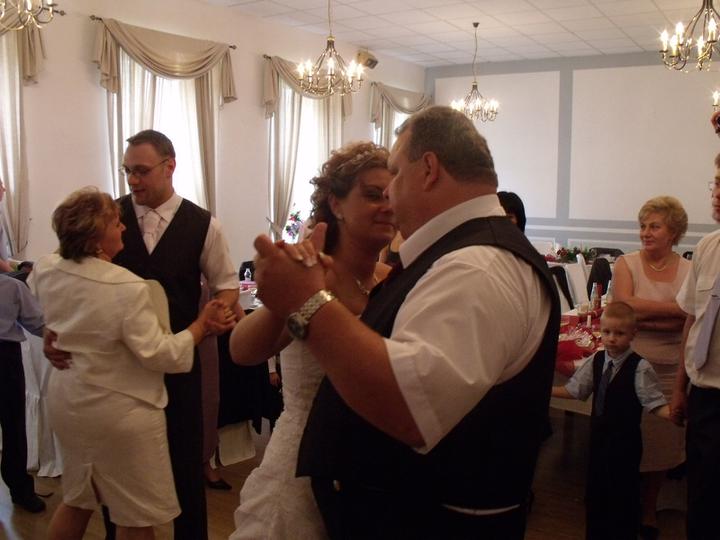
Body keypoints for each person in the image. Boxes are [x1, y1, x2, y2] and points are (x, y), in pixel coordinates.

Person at [251, 106, 560, 539]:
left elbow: (410, 406)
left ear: (428, 169)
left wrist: (307, 302)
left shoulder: (477, 266)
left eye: (395, 175)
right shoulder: (461, 255)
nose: (390, 197)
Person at [44, 130, 240, 540]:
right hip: (115, 381)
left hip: (180, 364)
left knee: (186, 466)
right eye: (127, 171)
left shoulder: (204, 224)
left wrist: (218, 314)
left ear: (170, 166)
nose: (132, 180)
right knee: (115, 487)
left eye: (141, 171)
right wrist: (53, 329)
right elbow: (69, 281)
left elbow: (225, 285)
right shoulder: (105, 219)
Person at [228, 141, 395, 539]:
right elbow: (242, 350)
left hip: (371, 468)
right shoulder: (314, 276)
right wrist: (292, 297)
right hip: (306, 460)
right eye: (373, 195)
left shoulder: (391, 279)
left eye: (392, 195)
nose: (387, 206)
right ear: (336, 204)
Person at [552, 302, 670, 540]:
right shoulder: (596, 361)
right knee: (596, 493)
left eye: (619, 333)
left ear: (633, 334)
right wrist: (545, 390)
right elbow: (575, 390)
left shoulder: (640, 367)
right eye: (607, 332)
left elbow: (654, 403)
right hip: (599, 439)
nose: (612, 338)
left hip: (625, 442)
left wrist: (677, 414)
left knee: (622, 495)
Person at [611, 195, 689, 537]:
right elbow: (623, 309)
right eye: (643, 226)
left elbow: (690, 317)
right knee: (628, 440)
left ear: (673, 232)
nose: (645, 232)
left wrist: (643, 316)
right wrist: (674, 312)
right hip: (630, 365)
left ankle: (648, 510)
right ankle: (624, 505)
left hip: (672, 368)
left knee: (661, 444)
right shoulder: (625, 264)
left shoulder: (689, 269)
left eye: (654, 226)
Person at [671, 150, 720, 540]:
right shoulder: (707, 247)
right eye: (716, 183)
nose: (717, 194)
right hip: (705, 396)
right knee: (702, 500)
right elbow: (692, 318)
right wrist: (679, 387)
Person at [0, 273, 45, 513]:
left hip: (5, 357)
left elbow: (38, 323)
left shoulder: (13, 287)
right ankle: (20, 490)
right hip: (6, 358)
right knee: (13, 426)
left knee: (14, 426)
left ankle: (20, 489)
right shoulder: (12, 286)